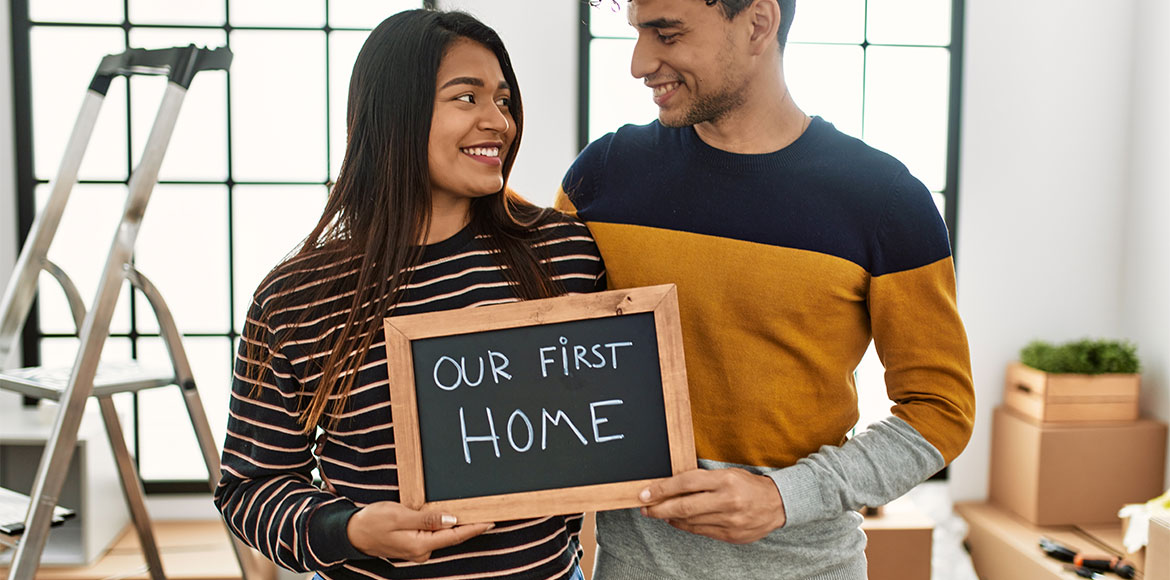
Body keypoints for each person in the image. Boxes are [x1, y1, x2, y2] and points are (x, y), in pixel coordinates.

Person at [556, 0, 976, 578]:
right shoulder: (600, 176)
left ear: (757, 23)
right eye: (636, 33)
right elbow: (543, 363)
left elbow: (941, 410)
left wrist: (784, 497)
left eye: (666, 33)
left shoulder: (885, 200)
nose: (639, 63)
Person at [214, 9, 604, 580]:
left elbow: (602, 432)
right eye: (466, 98)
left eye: (502, 99)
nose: (498, 120)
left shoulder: (562, 252)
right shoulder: (295, 297)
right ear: (393, 114)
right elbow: (248, 488)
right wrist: (348, 530)